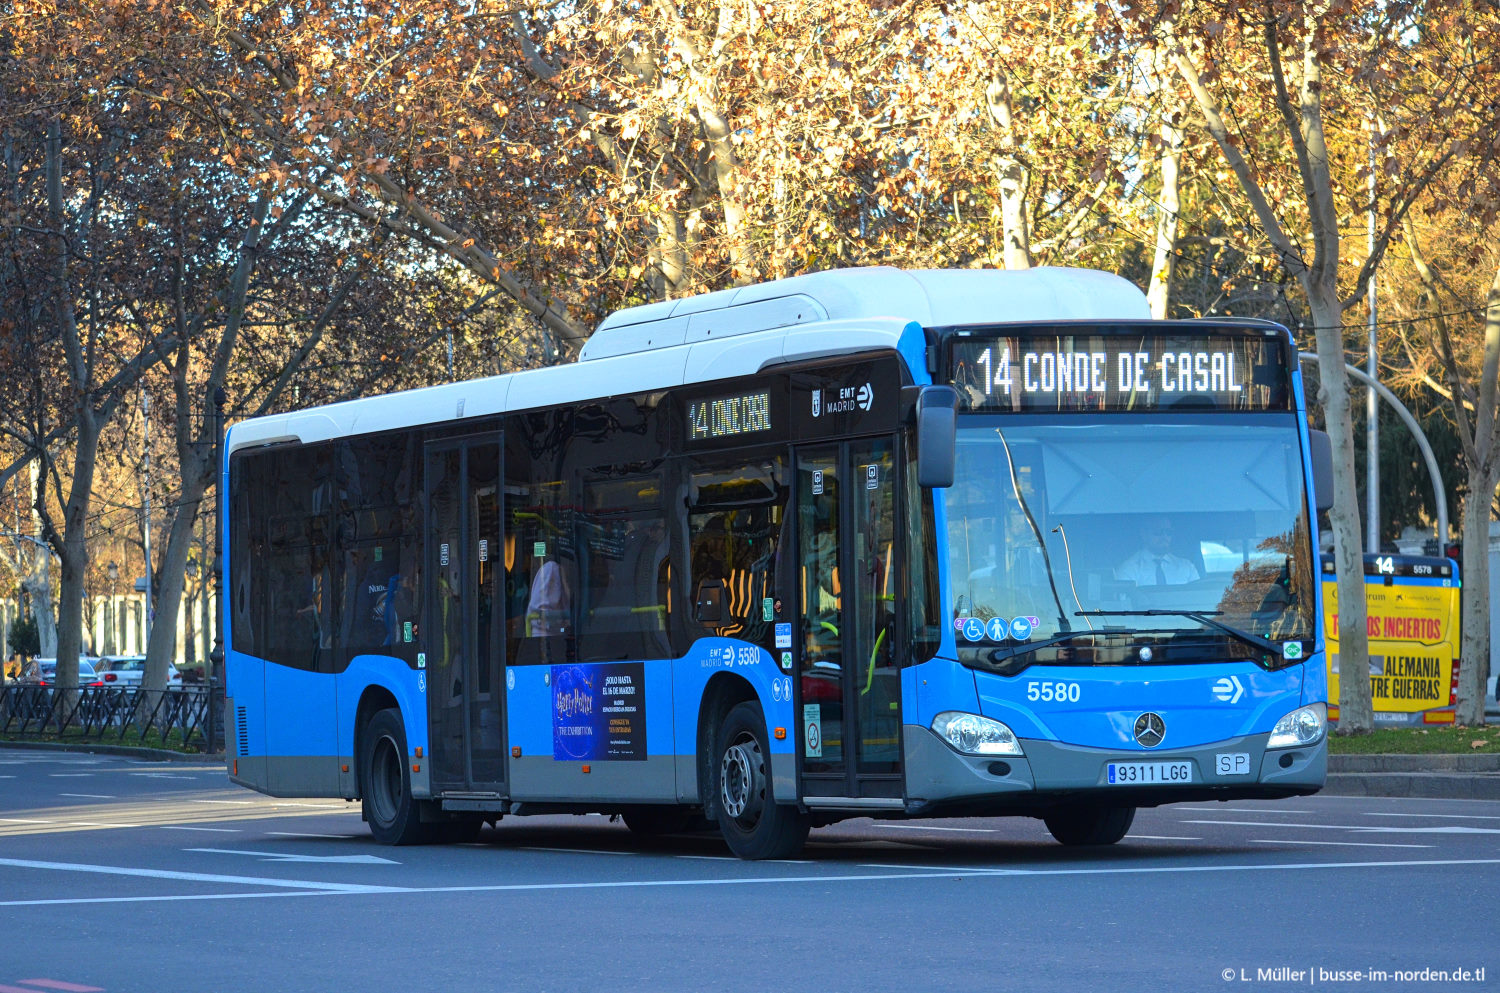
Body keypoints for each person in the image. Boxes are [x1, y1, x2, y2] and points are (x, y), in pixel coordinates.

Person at [1115, 515, 1200, 586]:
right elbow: (1123, 600)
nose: (1164, 537)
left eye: (1168, 532)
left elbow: (1198, 597)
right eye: (1158, 531)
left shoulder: (1187, 567)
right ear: (1144, 534)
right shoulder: (1129, 569)